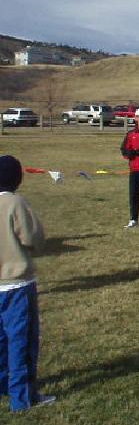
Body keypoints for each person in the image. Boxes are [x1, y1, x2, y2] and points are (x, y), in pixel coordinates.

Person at [0, 155, 56, 411]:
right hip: (16, 285)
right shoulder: (15, 203)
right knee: (20, 341)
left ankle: (3, 385)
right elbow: (34, 239)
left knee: (1, 340)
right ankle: (23, 398)